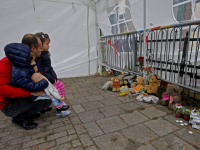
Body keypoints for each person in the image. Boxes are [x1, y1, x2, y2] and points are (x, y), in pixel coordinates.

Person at [0, 34, 52, 130]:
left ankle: (28, 112)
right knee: (45, 100)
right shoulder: (5, 63)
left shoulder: (28, 60)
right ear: (33, 49)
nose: (42, 50)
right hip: (7, 104)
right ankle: (19, 118)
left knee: (47, 98)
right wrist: (30, 93)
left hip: (20, 95)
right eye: (40, 48)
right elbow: (2, 89)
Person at [35, 32, 65, 98]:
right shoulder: (39, 56)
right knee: (56, 90)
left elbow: (49, 67)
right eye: (47, 44)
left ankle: (60, 101)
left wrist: (54, 76)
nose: (49, 46)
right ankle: (59, 104)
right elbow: (42, 71)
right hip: (47, 78)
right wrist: (51, 79)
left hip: (50, 77)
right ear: (40, 44)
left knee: (58, 88)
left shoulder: (45, 54)